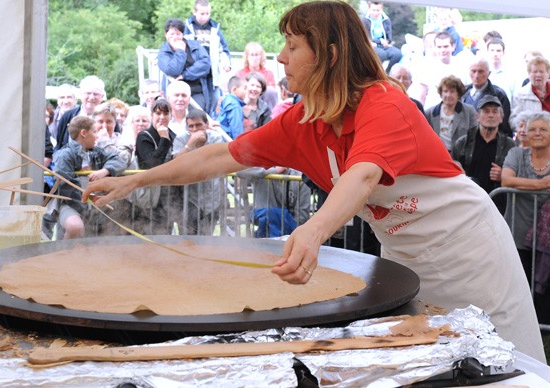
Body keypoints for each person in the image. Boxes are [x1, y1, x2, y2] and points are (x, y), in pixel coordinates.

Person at [83, 0, 545, 362]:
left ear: (330, 54)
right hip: (406, 255)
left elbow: (363, 175)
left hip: (470, 250)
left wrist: (313, 230)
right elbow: (222, 156)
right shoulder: (303, 119)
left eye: (292, 45)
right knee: (429, 359)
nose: (280, 57)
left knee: (501, 360)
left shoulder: (386, 104)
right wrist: (137, 181)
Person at [502, 111, 550, 325]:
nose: (537, 133)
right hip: (518, 231)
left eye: (543, 129)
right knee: (520, 282)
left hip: (546, 238)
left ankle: (544, 324)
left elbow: (514, 182)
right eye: (532, 129)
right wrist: (541, 185)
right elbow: (506, 180)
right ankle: (523, 325)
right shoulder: (516, 154)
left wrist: (521, 184)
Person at [53, 116, 125, 239]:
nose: (97, 136)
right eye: (94, 131)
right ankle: (63, 256)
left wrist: (105, 170)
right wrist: (87, 204)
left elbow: (119, 160)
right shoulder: (65, 155)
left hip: (95, 205)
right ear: (84, 133)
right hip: (71, 205)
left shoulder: (96, 151)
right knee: (75, 227)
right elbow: (65, 187)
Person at [452, 95, 516, 213]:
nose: (491, 115)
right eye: (486, 111)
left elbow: (519, 176)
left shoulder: (510, 146)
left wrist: (503, 176)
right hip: (466, 203)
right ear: (477, 117)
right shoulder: (462, 143)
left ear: (501, 118)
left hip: (497, 207)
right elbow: (451, 171)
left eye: (495, 111)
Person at [172, 109, 226, 235]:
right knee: (188, 239)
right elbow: (175, 164)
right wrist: (191, 143)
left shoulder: (216, 138)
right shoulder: (181, 138)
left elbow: (213, 161)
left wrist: (190, 161)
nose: (195, 129)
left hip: (213, 197)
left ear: (206, 125)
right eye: (191, 126)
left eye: (198, 125)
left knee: (207, 239)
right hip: (190, 198)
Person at [133, 98, 179, 234]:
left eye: (166, 114)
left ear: (171, 115)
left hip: (170, 197)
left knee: (167, 234)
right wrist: (164, 139)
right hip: (150, 197)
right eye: (158, 113)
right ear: (152, 115)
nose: (162, 117)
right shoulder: (144, 136)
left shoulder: (174, 135)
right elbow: (152, 165)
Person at [157, 18, 216, 116]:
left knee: (197, 117)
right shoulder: (163, 53)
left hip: (196, 91)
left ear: (182, 34)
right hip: (175, 95)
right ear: (166, 34)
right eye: (172, 34)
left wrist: (185, 75)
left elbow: (205, 64)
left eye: (178, 34)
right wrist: (180, 52)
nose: (175, 37)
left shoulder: (195, 45)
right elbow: (173, 70)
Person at [54, 75, 120, 152]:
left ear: (102, 96)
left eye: (96, 94)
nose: (91, 97)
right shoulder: (67, 117)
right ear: (81, 94)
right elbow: (59, 145)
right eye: (88, 93)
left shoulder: (109, 119)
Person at [184, 0, 232, 97]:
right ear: (194, 12)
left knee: (214, 101)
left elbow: (223, 49)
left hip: (211, 73)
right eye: (202, 14)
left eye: (207, 13)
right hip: (194, 72)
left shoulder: (215, 28)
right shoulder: (187, 27)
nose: (205, 17)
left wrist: (226, 63)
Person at [424, 75, 476, 154]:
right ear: (441, 93)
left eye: (452, 91)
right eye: (445, 91)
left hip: (461, 156)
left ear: (458, 94)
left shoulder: (469, 111)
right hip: (436, 154)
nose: (448, 95)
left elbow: (475, 136)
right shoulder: (430, 113)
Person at [460, 58, 511, 136]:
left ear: (489, 73)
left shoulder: (499, 95)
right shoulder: (462, 93)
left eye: (481, 72)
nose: (476, 76)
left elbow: (505, 128)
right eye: (473, 71)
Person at [361, 1, 402, 73]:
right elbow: (366, 37)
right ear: (369, 9)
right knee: (382, 54)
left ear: (381, 10)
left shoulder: (386, 20)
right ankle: (376, 73)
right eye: (373, 10)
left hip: (384, 45)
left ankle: (388, 73)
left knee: (397, 54)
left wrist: (387, 41)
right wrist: (379, 41)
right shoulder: (365, 20)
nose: (375, 13)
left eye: (378, 10)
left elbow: (389, 36)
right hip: (371, 44)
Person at [511, 56, 550, 131]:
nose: (538, 75)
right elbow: (513, 121)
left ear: (548, 74)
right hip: (530, 138)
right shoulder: (520, 95)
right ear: (529, 74)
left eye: (541, 71)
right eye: (535, 72)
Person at [235, 42, 278, 109]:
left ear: (261, 57)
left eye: (256, 55)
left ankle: (269, 118)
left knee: (271, 90)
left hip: (264, 105)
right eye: (252, 55)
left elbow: (271, 95)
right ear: (247, 57)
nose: (254, 58)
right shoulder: (239, 74)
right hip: (245, 105)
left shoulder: (268, 73)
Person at [92, 103, 133, 169]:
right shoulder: (86, 141)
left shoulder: (124, 141)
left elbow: (122, 161)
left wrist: (105, 141)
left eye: (109, 122)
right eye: (100, 121)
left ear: (115, 123)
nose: (104, 126)